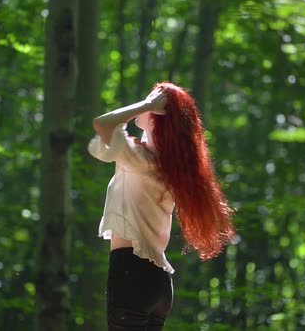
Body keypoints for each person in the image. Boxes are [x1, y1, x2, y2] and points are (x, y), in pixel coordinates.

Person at [88, 81, 235, 330]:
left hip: (130, 274)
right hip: (159, 284)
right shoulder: (169, 168)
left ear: (158, 116)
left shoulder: (140, 159)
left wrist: (147, 105)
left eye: (153, 103)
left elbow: (102, 123)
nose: (146, 104)